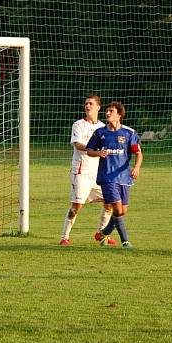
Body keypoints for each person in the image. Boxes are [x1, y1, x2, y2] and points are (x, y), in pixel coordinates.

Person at [59, 95, 116, 246]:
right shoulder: (78, 125)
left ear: (98, 107)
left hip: (98, 174)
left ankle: (101, 233)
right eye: (86, 104)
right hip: (81, 172)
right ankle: (65, 237)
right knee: (76, 206)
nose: (87, 106)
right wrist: (96, 150)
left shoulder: (104, 127)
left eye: (91, 104)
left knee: (110, 202)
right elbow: (78, 145)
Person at [85, 101, 143, 249]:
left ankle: (104, 233)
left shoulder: (129, 133)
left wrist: (136, 167)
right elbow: (89, 150)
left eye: (111, 111)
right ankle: (125, 241)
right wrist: (98, 152)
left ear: (119, 114)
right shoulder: (100, 133)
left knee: (123, 211)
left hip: (124, 177)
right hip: (107, 177)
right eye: (107, 111)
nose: (107, 114)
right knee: (117, 209)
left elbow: (138, 153)